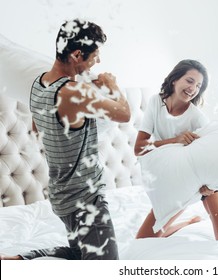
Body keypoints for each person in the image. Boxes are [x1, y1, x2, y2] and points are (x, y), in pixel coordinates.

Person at [0, 19, 130, 260]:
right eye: (95, 56)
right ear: (78, 54)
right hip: (85, 199)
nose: (98, 62)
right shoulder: (74, 92)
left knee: (79, 252)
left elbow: (37, 126)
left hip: (62, 197)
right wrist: (112, 85)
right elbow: (124, 113)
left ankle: (19, 260)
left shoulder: (39, 84)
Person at [134, 59, 218, 240]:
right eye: (189, 81)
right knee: (143, 241)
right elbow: (139, 149)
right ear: (174, 80)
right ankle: (189, 222)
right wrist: (175, 140)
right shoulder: (156, 102)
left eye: (198, 86)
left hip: (205, 182)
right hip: (175, 182)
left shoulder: (197, 118)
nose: (193, 88)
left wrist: (209, 185)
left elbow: (214, 156)